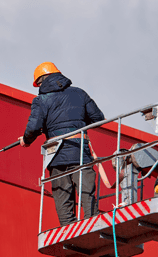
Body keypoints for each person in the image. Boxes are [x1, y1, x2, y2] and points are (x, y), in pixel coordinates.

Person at [19, 62, 105, 226]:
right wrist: (75, 121)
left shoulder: (41, 100)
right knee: (86, 192)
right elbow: (98, 119)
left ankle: (68, 229)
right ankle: (93, 224)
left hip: (56, 155)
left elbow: (33, 128)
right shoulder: (80, 93)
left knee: (62, 194)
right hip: (80, 151)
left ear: (41, 81)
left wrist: (26, 140)